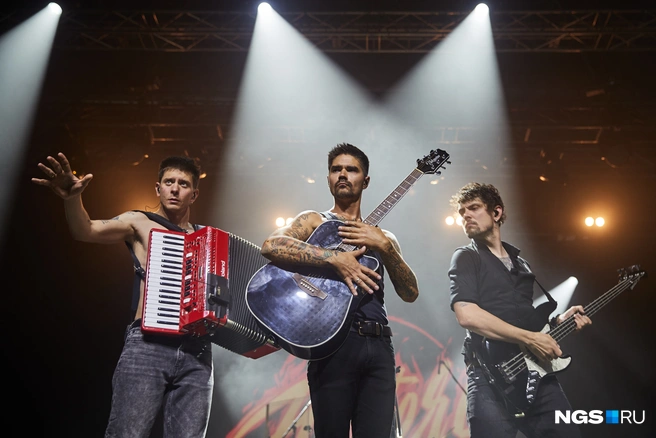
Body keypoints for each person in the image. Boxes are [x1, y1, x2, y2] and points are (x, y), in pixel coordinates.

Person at [32, 152, 214, 438]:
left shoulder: (208, 238)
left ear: (194, 194)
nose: (175, 188)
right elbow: (85, 230)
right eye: (168, 182)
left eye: (183, 183)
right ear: (158, 188)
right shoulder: (138, 221)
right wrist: (71, 199)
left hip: (197, 351)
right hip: (147, 345)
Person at [260, 143, 419, 438]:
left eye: (352, 169)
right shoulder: (314, 220)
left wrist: (385, 247)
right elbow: (271, 245)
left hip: (379, 344)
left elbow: (410, 292)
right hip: (332, 343)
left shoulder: (385, 238)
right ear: (329, 178)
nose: (343, 174)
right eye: (336, 169)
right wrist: (335, 258)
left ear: (366, 181)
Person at [448, 182, 592, 438]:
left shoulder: (521, 263)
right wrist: (530, 338)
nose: (465, 215)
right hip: (489, 375)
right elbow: (466, 314)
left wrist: (559, 322)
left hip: (536, 372)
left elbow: (528, 319)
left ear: (497, 212)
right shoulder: (466, 257)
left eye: (473, 208)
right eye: (462, 212)